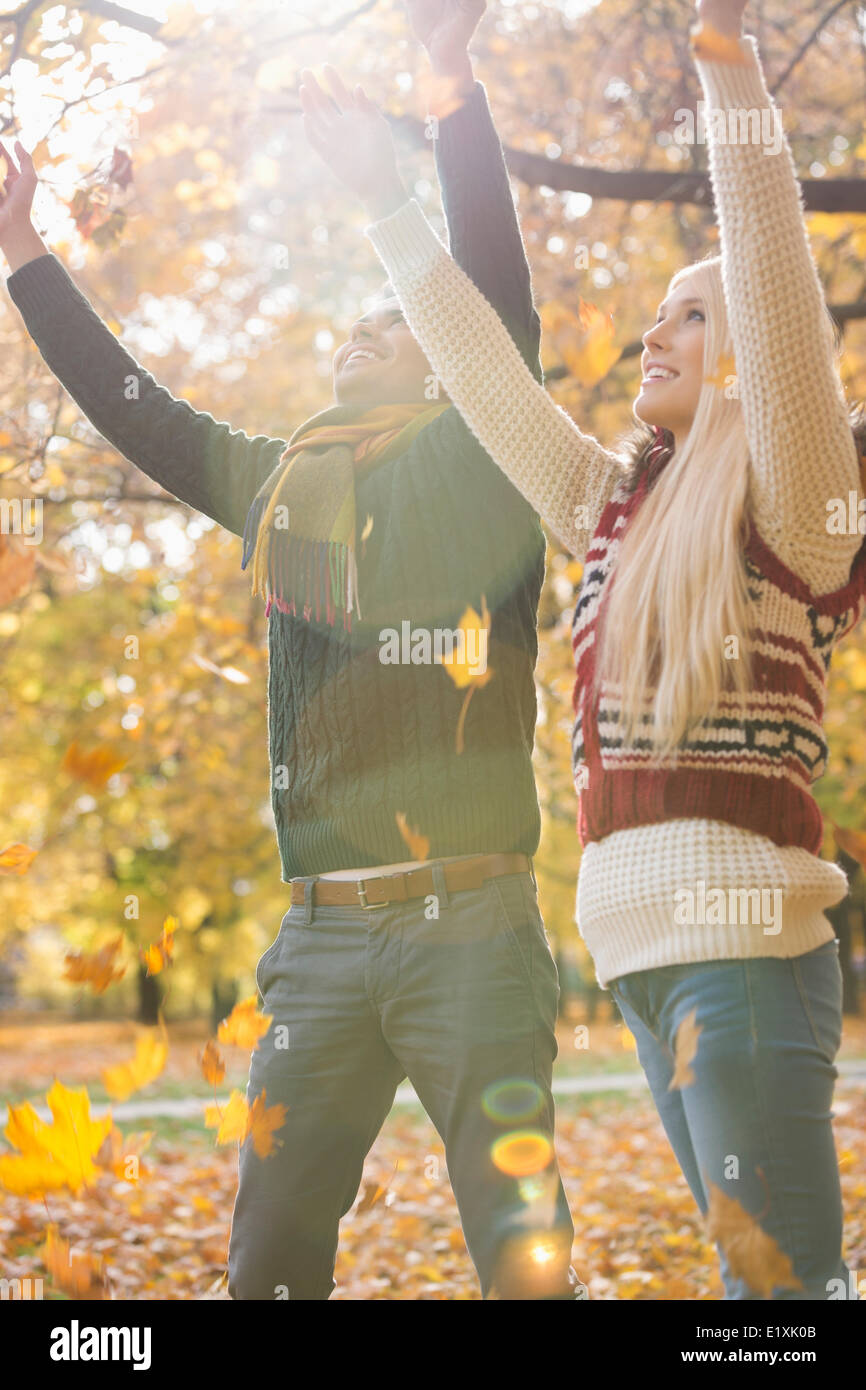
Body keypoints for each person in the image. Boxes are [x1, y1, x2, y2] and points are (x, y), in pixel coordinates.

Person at [0, 2, 582, 1301]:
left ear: (444, 371)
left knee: (519, 1251)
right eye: (356, 325)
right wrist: (26, 253)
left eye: (393, 326)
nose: (365, 330)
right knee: (265, 1257)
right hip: (319, 939)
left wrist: (449, 90)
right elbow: (136, 411)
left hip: (468, 923)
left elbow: (492, 302)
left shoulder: (481, 459)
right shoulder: (279, 488)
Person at [301, 0, 866, 1298]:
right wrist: (388, 198)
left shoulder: (797, 507)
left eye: (683, 319)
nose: (649, 339)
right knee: (767, 1294)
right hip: (634, 962)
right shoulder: (609, 508)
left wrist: (722, 63)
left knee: (780, 1302)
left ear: (738, 360)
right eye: (652, 317)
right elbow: (485, 375)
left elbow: (775, 292)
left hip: (740, 956)